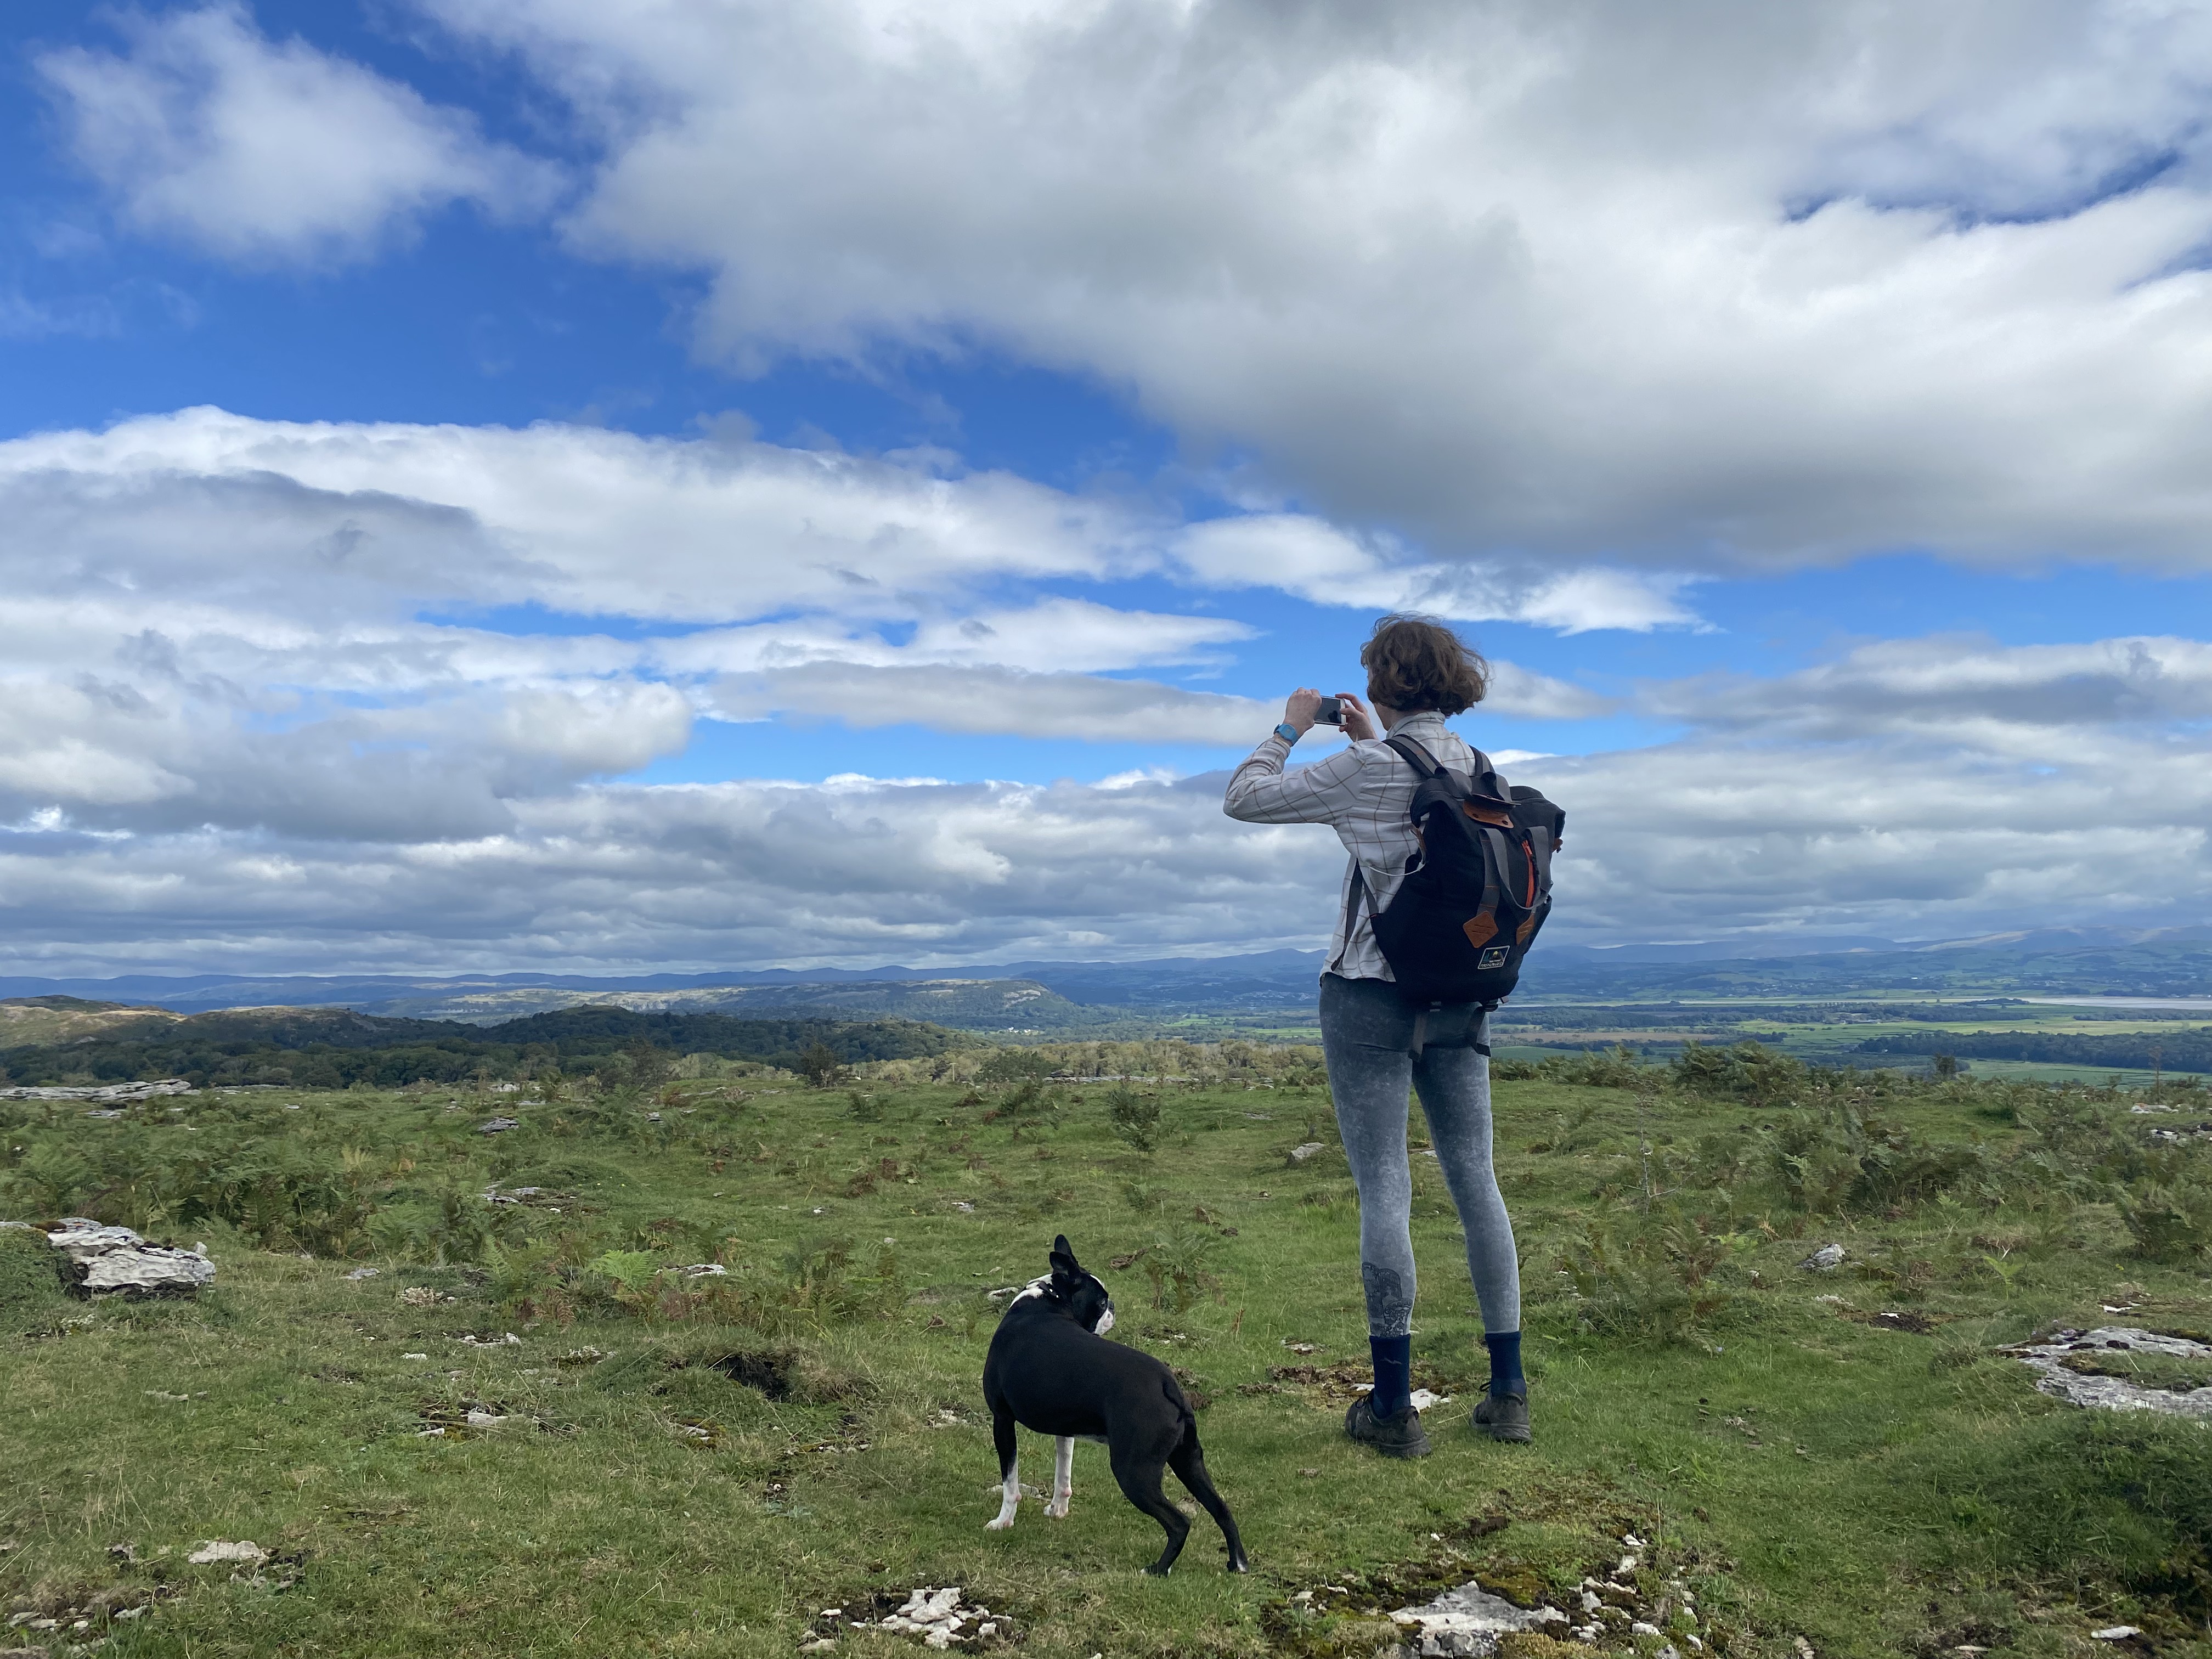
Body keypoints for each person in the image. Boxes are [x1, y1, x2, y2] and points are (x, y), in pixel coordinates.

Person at [1222, 613, 1527, 1458]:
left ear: (1385, 682)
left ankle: (1393, 1408)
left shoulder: (1363, 767)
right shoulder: (1482, 767)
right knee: (1478, 1183)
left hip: (1370, 996)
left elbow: (1243, 798)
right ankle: (1508, 1396)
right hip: (1465, 997)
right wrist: (1374, 738)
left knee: (1386, 1188)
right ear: (1454, 682)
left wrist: (1290, 724)